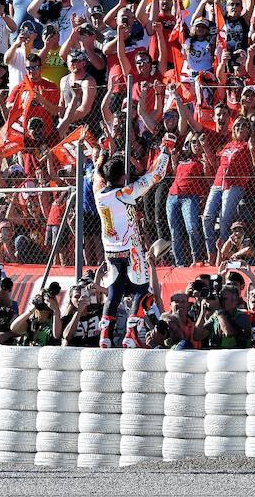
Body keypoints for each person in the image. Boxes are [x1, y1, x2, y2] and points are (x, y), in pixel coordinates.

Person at [93, 132, 175, 348]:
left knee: (114, 292)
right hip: (131, 250)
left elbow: (96, 174)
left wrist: (102, 152)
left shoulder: (99, 192)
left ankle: (105, 336)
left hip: (110, 251)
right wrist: (165, 150)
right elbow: (154, 176)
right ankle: (131, 333)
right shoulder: (125, 193)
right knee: (140, 289)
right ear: (123, 177)